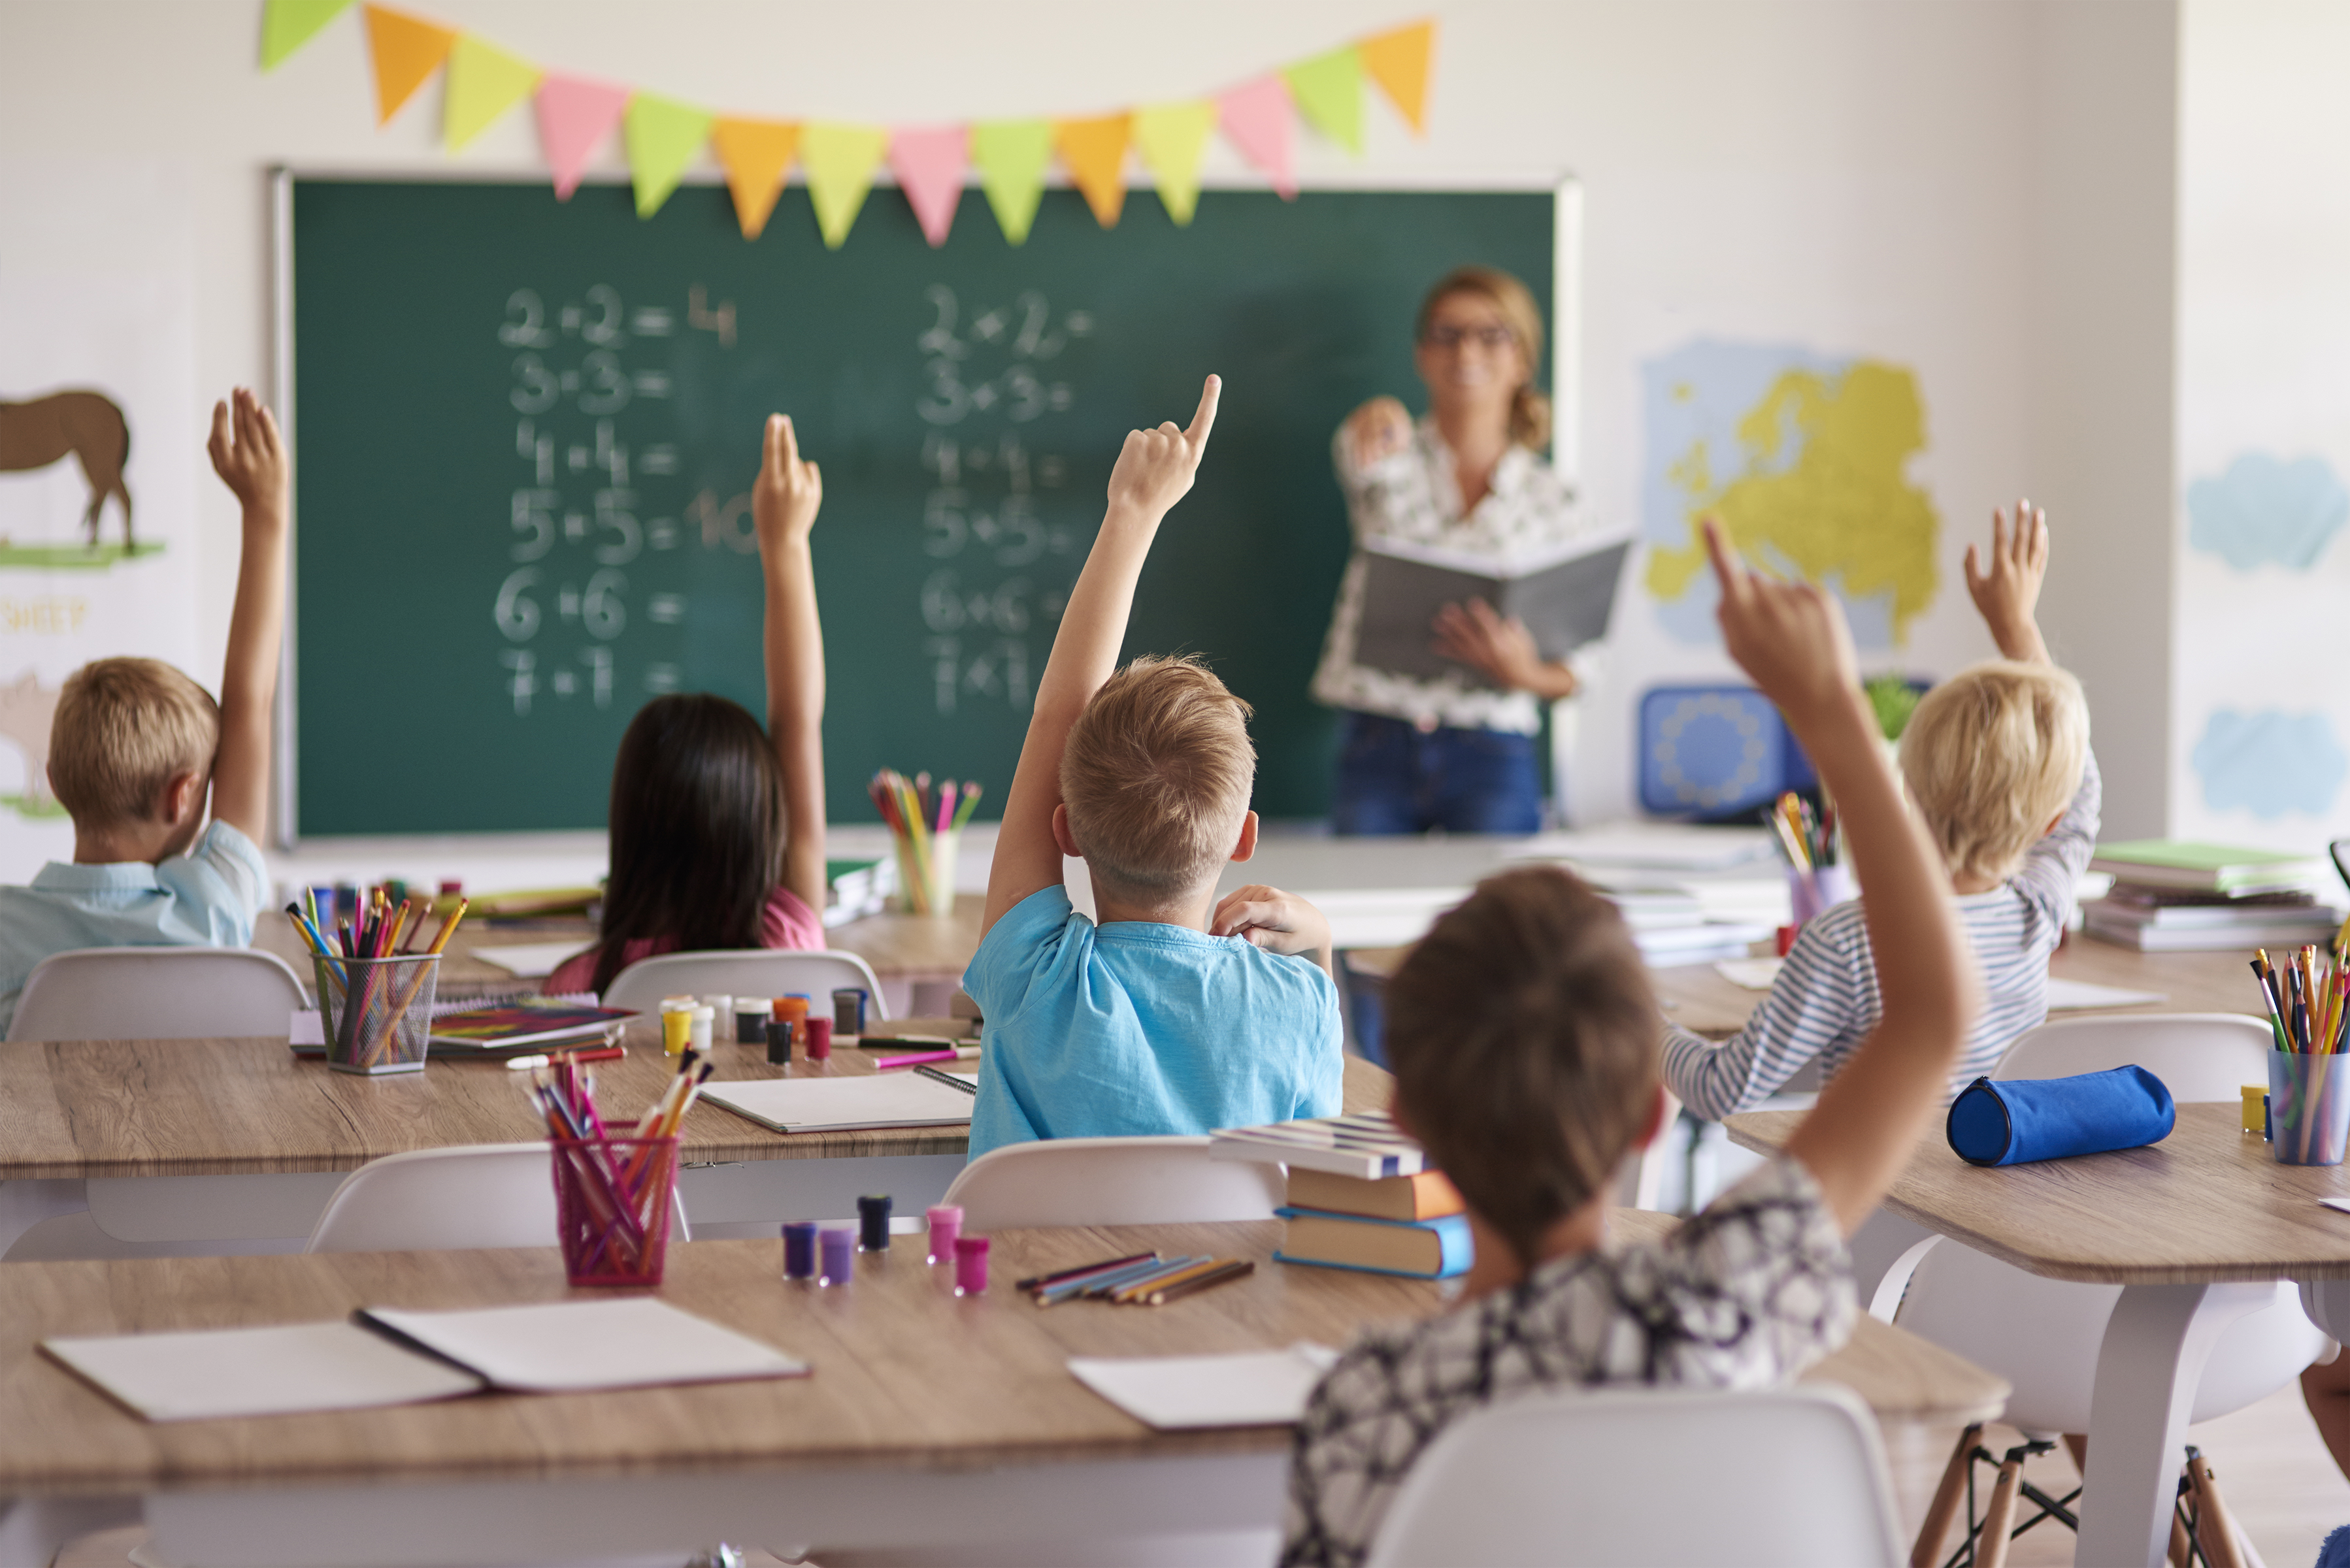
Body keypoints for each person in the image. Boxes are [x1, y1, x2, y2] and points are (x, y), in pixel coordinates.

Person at [1278, 518, 1979, 1567]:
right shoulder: (1718, 1304)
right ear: (1653, 1109)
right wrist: (1832, 716)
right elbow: (1932, 1017)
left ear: (1407, 1121)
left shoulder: (1370, 1407)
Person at [963, 375, 1344, 1160]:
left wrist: (1130, 516)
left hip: (1028, 1286)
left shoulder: (1038, 985)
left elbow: (1053, 719)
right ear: (1243, 836)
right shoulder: (1296, 1004)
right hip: (1229, 1285)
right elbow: (1316, 1173)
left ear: (1063, 830)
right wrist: (1319, 948)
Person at [1663, 502, 2096, 1120]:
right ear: (2048, 822)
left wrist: (1636, 1018)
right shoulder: (2037, 916)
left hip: (1871, 1209)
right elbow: (2081, 794)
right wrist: (2017, 627)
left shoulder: (1848, 940)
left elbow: (1718, 1089)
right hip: (1983, 1209)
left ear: (1907, 790)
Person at [0, 390, 289, 1035]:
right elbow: (252, 700)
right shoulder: (211, 909)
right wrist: (265, 508)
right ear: (186, 793)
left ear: (53, 780)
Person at [1311, 265, 1604, 834]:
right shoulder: (1387, 455)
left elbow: (1583, 668)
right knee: (1365, 913)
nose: (1467, 349)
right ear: (1423, 354)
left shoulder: (1558, 500)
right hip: (1378, 739)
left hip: (1493, 750)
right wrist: (1372, 420)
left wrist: (1526, 673)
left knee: (1503, 920)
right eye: (1447, 334)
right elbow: (1356, 453)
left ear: (1522, 359)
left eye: (1491, 334)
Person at [548, 414, 829, 996]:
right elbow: (797, 721)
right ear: (763, 824)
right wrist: (787, 544)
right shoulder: (789, 938)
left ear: (630, 827)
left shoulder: (585, 986)